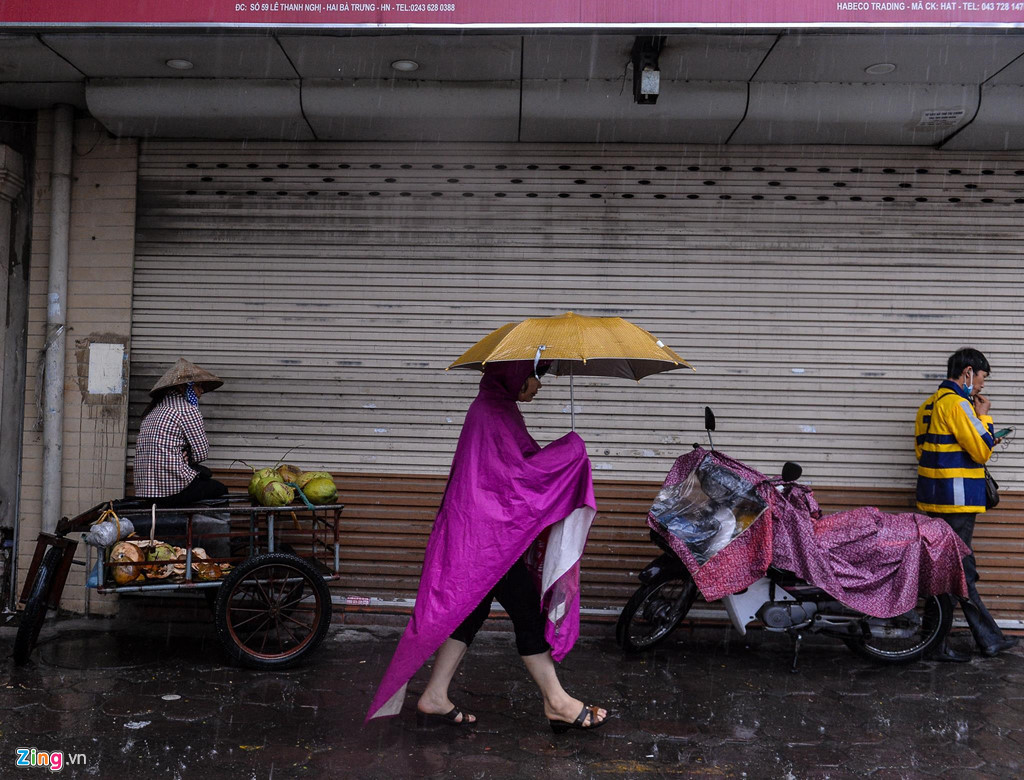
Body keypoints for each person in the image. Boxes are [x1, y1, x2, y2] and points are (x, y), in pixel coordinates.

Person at [367, 361, 609, 732]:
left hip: (486, 535)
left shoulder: (497, 408)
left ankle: (434, 695)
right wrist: (571, 451)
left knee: (472, 612)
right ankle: (557, 702)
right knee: (527, 611)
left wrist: (564, 456)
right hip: (486, 540)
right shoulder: (491, 412)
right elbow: (520, 478)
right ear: (516, 377)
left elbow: (523, 463)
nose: (539, 387)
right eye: (535, 377)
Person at [915, 347, 1019, 661]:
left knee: (953, 569)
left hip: (933, 499)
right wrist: (985, 417)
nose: (982, 386)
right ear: (969, 372)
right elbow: (981, 451)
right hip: (957, 501)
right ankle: (940, 643)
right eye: (982, 378)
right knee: (956, 571)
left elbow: (924, 452)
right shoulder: (959, 405)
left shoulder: (928, 406)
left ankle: (986, 638)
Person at [134, 357, 227, 506]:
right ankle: (210, 530)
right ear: (184, 387)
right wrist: (188, 455)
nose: (201, 391)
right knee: (220, 489)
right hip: (172, 489)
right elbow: (202, 453)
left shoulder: (153, 411)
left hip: (146, 491)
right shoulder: (187, 410)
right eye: (198, 386)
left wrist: (185, 454)